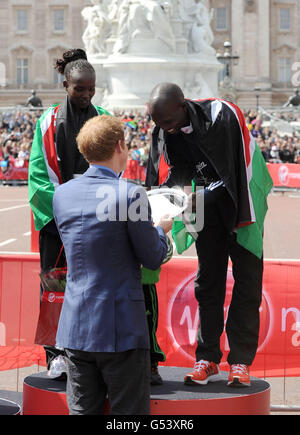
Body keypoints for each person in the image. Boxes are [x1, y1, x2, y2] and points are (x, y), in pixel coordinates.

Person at [146, 83, 273, 387]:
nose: (164, 129)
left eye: (167, 122)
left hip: (243, 201)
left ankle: (240, 361)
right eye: (158, 123)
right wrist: (167, 200)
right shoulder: (166, 131)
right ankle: (208, 357)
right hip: (208, 209)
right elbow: (177, 174)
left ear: (182, 106)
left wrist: (195, 197)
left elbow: (233, 175)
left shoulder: (222, 116)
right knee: (208, 282)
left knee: (247, 283)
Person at [53, 115, 173, 415]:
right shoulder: (130, 193)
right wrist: (160, 229)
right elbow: (152, 256)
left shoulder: (62, 194)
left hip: (76, 326)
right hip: (120, 326)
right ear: (120, 146)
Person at [28, 48, 110, 380]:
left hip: (94, 222)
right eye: (80, 88)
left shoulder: (104, 118)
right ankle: (55, 355)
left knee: (94, 288)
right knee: (54, 285)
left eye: (91, 88)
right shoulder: (46, 122)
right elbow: (38, 177)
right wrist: (69, 210)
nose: (86, 94)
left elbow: (114, 168)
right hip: (57, 223)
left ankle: (88, 351)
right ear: (65, 85)